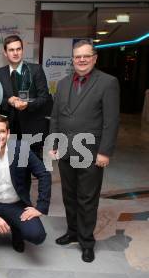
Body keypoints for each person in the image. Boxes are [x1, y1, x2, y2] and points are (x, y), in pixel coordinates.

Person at [50, 40, 120, 263]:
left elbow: (111, 121)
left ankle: (87, 241)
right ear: (72, 59)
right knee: (69, 196)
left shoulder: (108, 83)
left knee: (87, 198)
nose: (81, 59)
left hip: (91, 152)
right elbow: (56, 117)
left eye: (86, 56)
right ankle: (72, 232)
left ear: (94, 57)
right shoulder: (62, 84)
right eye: (77, 56)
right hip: (66, 150)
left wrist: (105, 152)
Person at [0, 115, 51, 259]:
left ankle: (17, 232)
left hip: (16, 205)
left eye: (2, 131)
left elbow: (44, 174)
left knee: (37, 236)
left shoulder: (21, 150)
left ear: (8, 133)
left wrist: (40, 207)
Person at [0, 35, 52, 160]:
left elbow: (44, 98)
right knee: (13, 168)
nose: (15, 53)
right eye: (11, 50)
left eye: (18, 49)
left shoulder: (36, 70)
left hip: (32, 128)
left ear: (22, 50)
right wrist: (9, 101)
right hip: (9, 130)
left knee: (35, 167)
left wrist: (28, 104)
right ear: (5, 53)